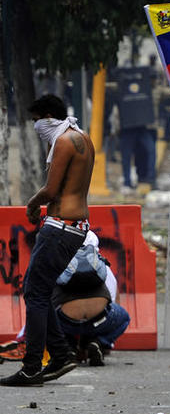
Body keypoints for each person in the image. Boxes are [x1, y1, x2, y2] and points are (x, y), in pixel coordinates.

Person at [2, 95, 94, 387]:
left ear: (48, 116)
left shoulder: (65, 142)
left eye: (35, 120)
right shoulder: (83, 138)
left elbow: (52, 190)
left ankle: (32, 367)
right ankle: (60, 355)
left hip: (61, 225)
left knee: (36, 292)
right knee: (38, 289)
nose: (35, 126)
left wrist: (31, 204)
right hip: (74, 225)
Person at [54, 231, 131, 366]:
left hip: (67, 323)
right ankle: (99, 342)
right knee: (124, 317)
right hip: (98, 320)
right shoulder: (101, 265)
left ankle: (68, 348)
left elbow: (42, 301)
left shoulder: (57, 263)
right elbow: (112, 300)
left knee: (51, 315)